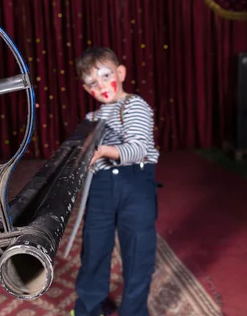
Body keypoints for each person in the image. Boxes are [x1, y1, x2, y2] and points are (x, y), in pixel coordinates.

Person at [72, 47, 160, 316]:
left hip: (135, 184)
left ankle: (133, 311)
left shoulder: (135, 106)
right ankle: (88, 308)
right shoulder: (92, 119)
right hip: (101, 188)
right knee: (94, 249)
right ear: (88, 90)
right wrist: (83, 157)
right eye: (92, 84)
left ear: (120, 73)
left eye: (105, 76)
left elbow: (138, 149)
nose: (100, 86)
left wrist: (105, 151)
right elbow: (85, 156)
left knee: (138, 250)